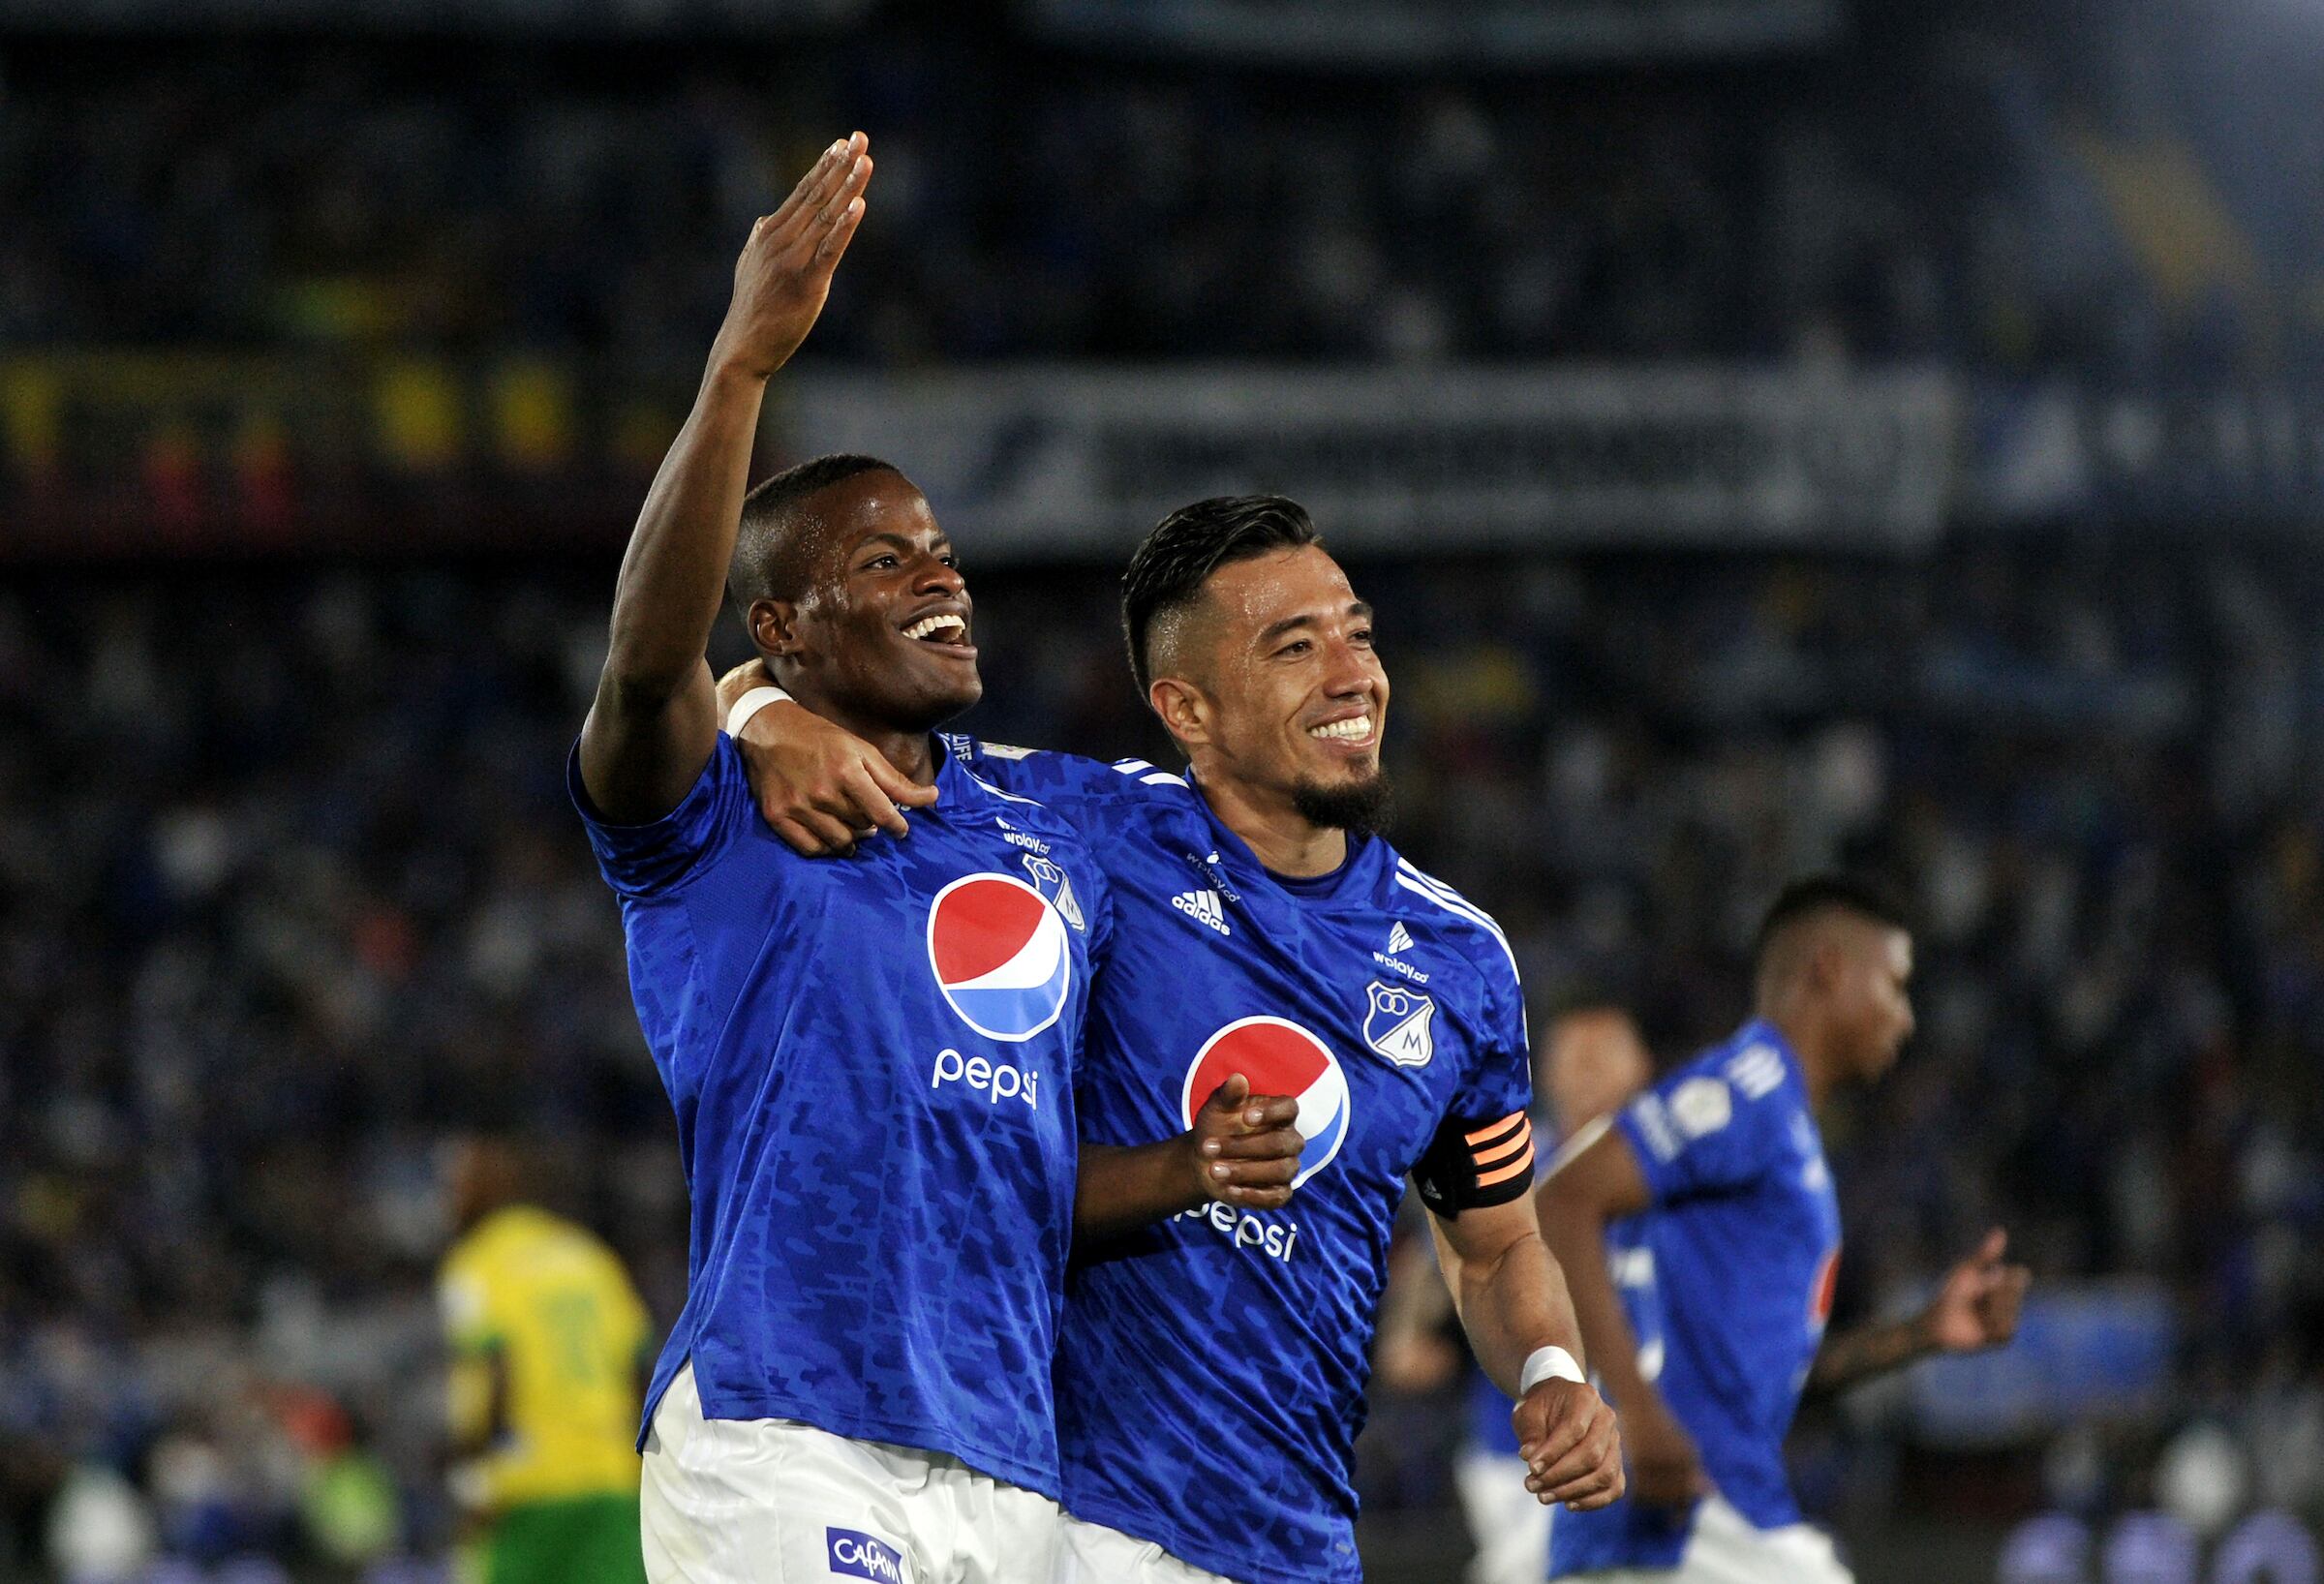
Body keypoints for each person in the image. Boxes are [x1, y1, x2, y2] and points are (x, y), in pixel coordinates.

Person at [571, 134, 1300, 1584]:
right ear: (781, 625)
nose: (942, 576)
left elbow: (1003, 1168)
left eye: (944, 552)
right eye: (885, 560)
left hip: (1006, 1464)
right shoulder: (716, 810)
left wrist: (1183, 1167)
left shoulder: (1059, 822)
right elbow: (650, 671)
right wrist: (739, 369)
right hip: (785, 1425)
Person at [722, 494, 1626, 1584]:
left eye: (1358, 635)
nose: (1353, 674)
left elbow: (1496, 1244)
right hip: (1069, 1519)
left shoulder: (1461, 959)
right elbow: (816, 715)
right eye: (1295, 648)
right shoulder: (1082, 827)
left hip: (1299, 1542)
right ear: (1185, 708)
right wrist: (754, 710)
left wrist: (1550, 1371)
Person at [1535, 875, 2032, 1583]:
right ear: (1829, 969)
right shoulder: (1753, 1087)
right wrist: (1637, 1421)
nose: (1905, 1017)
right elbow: (1563, 1201)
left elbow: (1762, 1383)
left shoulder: (1783, 1127)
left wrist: (1921, 1333)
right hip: (1693, 1524)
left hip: (1671, 1528)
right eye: (1894, 986)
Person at [1374, 1005, 1654, 1584]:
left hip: (1649, 1436)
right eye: (1574, 1058)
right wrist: (1408, 1335)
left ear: (1642, 1066)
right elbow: (1438, 1256)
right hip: (1519, 1454)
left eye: (1603, 1056)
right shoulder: (1517, 1165)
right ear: (1543, 1071)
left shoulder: (1675, 1175)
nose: (1587, 1072)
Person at [437, 1135, 653, 1584]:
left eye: (456, 1185)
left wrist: (473, 1479)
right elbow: (639, 1369)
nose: (447, 1199)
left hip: (526, 1490)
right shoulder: (589, 1256)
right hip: (609, 1481)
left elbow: (497, 1372)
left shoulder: (477, 1262)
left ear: (488, 1188)